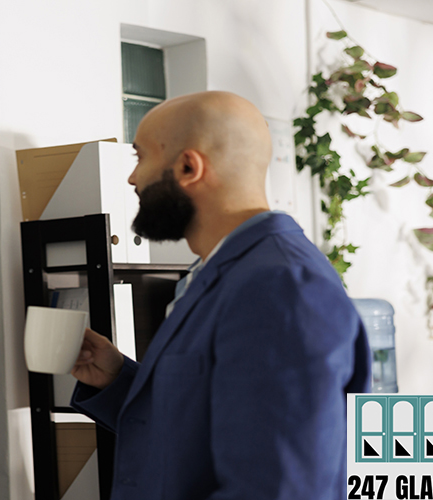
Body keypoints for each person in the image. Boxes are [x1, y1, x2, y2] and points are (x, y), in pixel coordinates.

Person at [69, 91, 370, 499]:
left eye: (139, 157)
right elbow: (209, 425)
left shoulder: (282, 288)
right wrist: (118, 380)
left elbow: (278, 488)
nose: (132, 178)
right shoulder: (215, 272)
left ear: (188, 167)